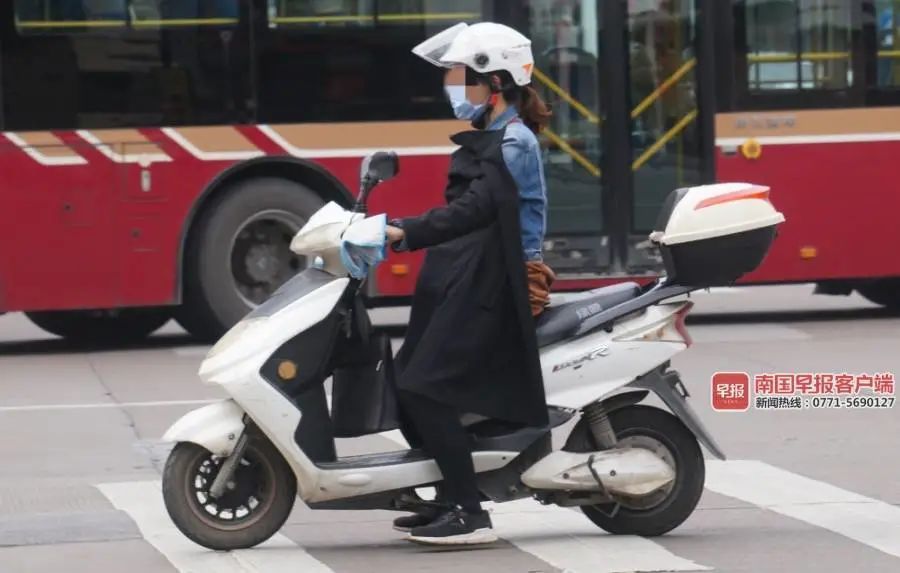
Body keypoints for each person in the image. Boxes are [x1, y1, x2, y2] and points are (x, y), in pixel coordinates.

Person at [383, 21, 556, 546]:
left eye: (459, 75)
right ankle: (449, 493)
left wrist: (402, 231)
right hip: (479, 272)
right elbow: (467, 212)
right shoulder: (497, 135)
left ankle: (469, 510)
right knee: (406, 376)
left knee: (424, 385)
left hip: (501, 283)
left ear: (494, 81)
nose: (451, 86)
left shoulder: (513, 143)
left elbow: (476, 210)